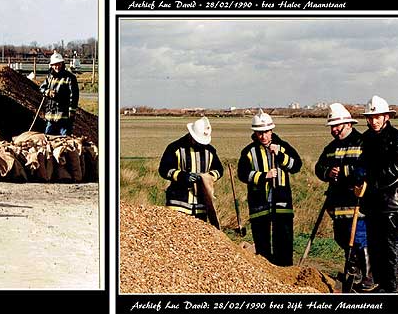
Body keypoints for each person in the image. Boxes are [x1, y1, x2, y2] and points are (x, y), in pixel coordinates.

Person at [315, 103, 375, 293]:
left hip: (357, 203)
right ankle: (353, 274)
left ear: (348, 124)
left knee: (359, 240)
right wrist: (328, 173)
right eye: (331, 127)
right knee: (342, 239)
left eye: (336, 126)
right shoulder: (330, 147)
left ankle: (368, 277)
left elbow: (368, 168)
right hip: (337, 204)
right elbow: (319, 168)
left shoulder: (362, 142)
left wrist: (344, 172)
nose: (333, 130)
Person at [354, 96, 398, 294]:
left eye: (377, 117)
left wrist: (371, 176)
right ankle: (380, 284)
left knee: (390, 245)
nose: (374, 121)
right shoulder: (366, 138)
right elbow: (360, 163)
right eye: (371, 117)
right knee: (375, 243)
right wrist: (359, 176)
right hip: (371, 201)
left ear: (386, 116)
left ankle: (393, 289)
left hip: (391, 201)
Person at [237, 109, 302, 267]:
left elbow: (296, 166)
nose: (263, 136)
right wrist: (263, 176)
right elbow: (242, 174)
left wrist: (280, 155)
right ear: (255, 133)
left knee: (284, 241)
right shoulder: (248, 152)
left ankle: (285, 273)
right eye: (259, 133)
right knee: (262, 243)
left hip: (282, 204)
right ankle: (265, 276)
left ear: (272, 130)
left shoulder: (283, 147)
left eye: (266, 132)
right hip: (259, 204)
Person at [158, 116, 224, 226]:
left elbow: (219, 170)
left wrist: (209, 177)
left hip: (201, 205)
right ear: (191, 135)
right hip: (178, 203)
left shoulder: (210, 151)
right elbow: (163, 170)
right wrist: (182, 176)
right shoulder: (175, 147)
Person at [39, 52, 80, 136]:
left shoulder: (70, 78)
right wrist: (47, 92)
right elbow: (41, 88)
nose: (56, 67)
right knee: (48, 140)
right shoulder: (50, 77)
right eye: (54, 64)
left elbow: (74, 96)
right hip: (51, 116)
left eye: (58, 64)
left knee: (64, 141)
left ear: (62, 63)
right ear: (51, 65)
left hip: (63, 117)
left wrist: (71, 112)